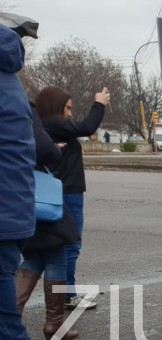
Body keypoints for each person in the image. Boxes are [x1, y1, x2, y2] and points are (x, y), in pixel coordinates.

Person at [0, 18, 63, 340]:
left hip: (4, 220)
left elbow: (48, 149)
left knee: (5, 329)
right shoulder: (12, 87)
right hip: (13, 218)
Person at [36, 84, 110, 310]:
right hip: (68, 193)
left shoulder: (42, 125)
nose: (69, 113)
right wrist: (99, 103)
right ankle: (68, 294)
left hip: (58, 191)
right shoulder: (55, 123)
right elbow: (87, 127)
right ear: (56, 106)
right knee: (70, 244)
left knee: (46, 250)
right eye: (67, 108)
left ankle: (62, 295)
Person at [16, 102, 81, 340]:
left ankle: (12, 318)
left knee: (33, 255)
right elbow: (43, 149)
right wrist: (54, 150)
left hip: (14, 194)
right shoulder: (19, 102)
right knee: (55, 251)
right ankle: (53, 323)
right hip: (33, 193)